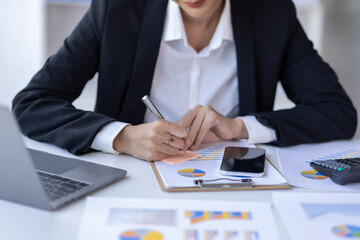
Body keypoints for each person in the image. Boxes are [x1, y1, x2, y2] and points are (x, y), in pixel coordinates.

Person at [12, 0, 357, 161]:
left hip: (235, 187)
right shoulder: (117, 9)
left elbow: (337, 112)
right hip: (131, 185)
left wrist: (239, 127)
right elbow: (33, 104)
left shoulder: (271, 12)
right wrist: (122, 137)